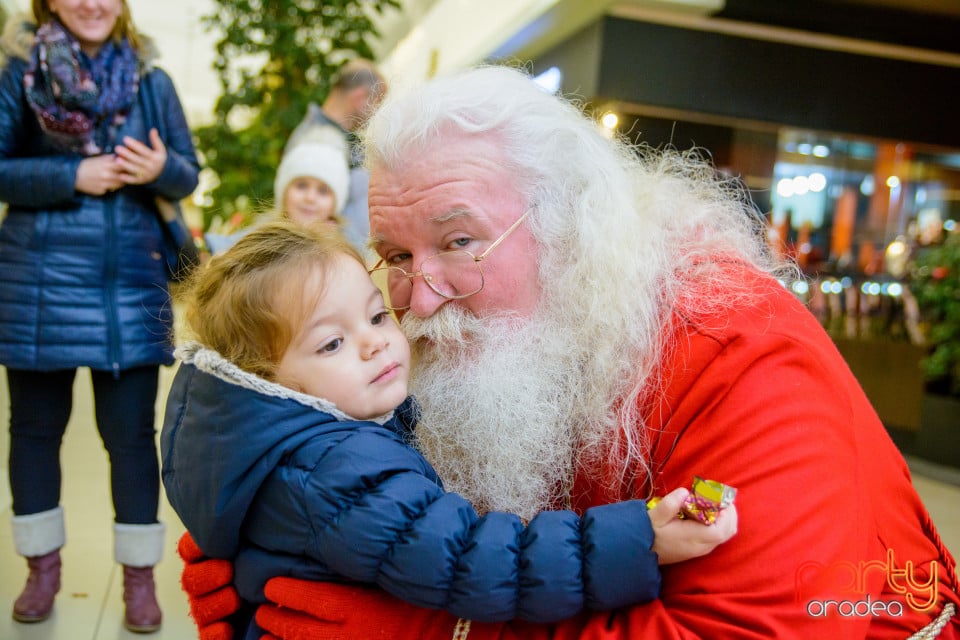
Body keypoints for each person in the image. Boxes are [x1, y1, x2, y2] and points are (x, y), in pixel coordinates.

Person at [180, 65, 960, 638]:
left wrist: (432, 630)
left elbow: (751, 631)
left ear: (569, 229)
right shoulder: (461, 336)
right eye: (395, 255)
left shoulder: (740, 350)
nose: (420, 299)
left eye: (459, 241)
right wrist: (263, 549)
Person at [162, 220, 738, 639]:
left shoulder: (289, 445)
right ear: (268, 379)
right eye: (331, 343)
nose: (376, 341)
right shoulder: (336, 469)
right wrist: (640, 538)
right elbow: (472, 560)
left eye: (376, 315)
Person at [0, 0, 200, 632]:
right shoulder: (17, 72)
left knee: (132, 441)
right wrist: (72, 174)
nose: (92, 3)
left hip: (130, 285)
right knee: (34, 434)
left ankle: (139, 578)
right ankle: (42, 571)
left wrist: (158, 169)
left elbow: (187, 171)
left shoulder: (152, 79)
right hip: (38, 285)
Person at [284, 58, 386, 253]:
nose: (376, 112)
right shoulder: (319, 141)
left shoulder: (338, 138)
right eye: (376, 102)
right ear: (360, 97)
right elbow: (304, 217)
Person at [204, 136, 350, 254]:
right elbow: (226, 247)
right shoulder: (264, 234)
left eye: (323, 191)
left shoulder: (343, 251)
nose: (310, 198)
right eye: (302, 185)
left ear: (335, 204)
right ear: (284, 192)